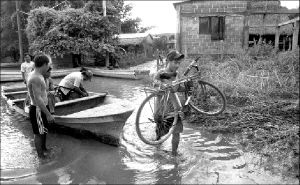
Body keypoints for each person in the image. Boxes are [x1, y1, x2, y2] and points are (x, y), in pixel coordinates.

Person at [153, 50, 186, 156]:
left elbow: (178, 88)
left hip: (175, 108)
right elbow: (154, 84)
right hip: (163, 110)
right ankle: (156, 152)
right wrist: (161, 86)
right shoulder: (161, 73)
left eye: (179, 63)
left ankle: (174, 154)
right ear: (169, 61)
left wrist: (186, 87)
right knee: (159, 135)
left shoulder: (176, 75)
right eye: (175, 63)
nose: (177, 65)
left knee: (176, 132)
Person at [27, 54, 55, 159]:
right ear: (44, 64)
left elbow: (39, 94)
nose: (49, 67)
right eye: (48, 65)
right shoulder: (36, 77)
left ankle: (44, 149)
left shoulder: (37, 75)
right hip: (38, 109)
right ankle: (41, 157)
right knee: (38, 133)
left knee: (43, 130)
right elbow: (38, 99)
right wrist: (48, 114)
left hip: (42, 107)